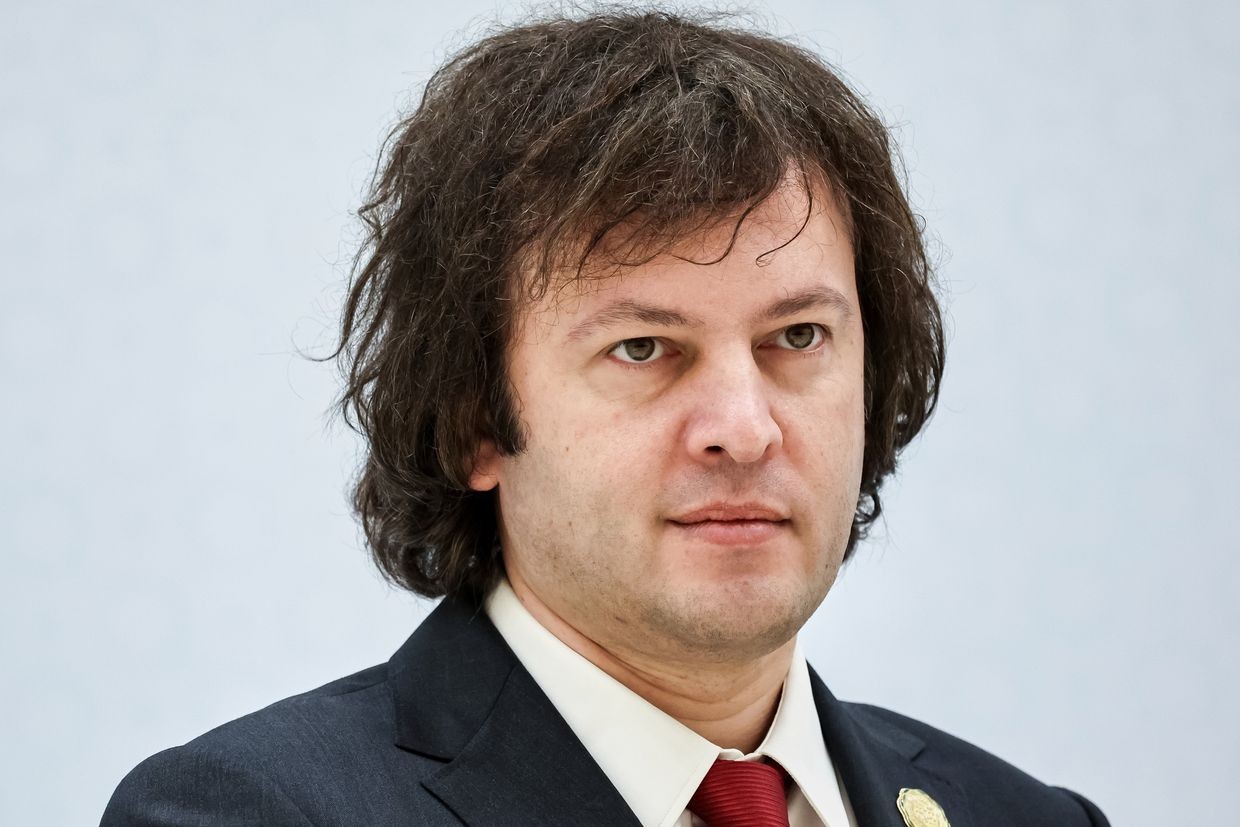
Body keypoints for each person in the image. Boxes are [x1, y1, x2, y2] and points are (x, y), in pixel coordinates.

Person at [103, 9, 1109, 826]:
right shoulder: (251, 811)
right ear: (474, 417)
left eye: (797, 336)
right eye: (643, 347)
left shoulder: (1026, 816)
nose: (744, 428)